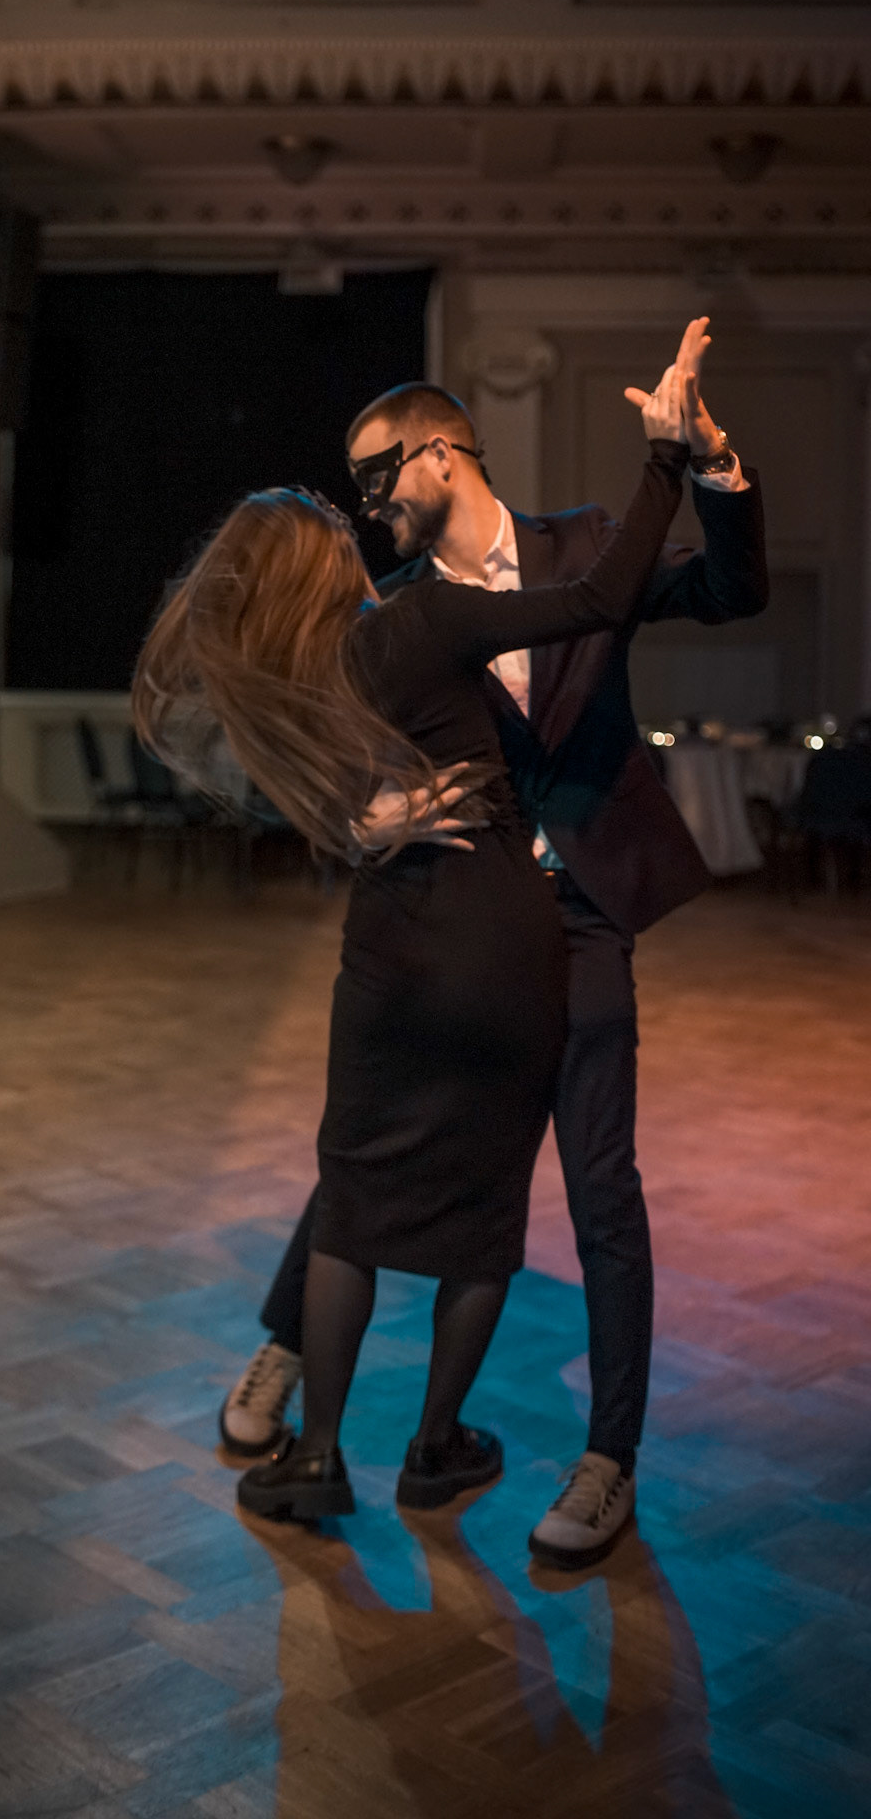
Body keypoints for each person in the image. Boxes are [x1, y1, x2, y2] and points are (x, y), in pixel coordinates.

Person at [219, 318, 768, 1559]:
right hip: (451, 920)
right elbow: (298, 749)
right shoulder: (398, 612)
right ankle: (291, 1346)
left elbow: (733, 590)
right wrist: (356, 820)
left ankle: (608, 1456)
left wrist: (710, 462)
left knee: (599, 1184)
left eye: (379, 476)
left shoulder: (586, 549)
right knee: (373, 1141)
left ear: (442, 454)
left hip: (581, 913)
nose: (370, 505)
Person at [135, 387, 693, 1522]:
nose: (365, 513)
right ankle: (435, 1446)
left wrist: (354, 824)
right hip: (509, 940)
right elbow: (599, 600)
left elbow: (251, 757)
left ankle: (316, 1454)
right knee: (485, 1211)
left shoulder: (322, 668)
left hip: (394, 947)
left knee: (353, 1191)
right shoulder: (425, 616)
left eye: (374, 481)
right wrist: (666, 463)